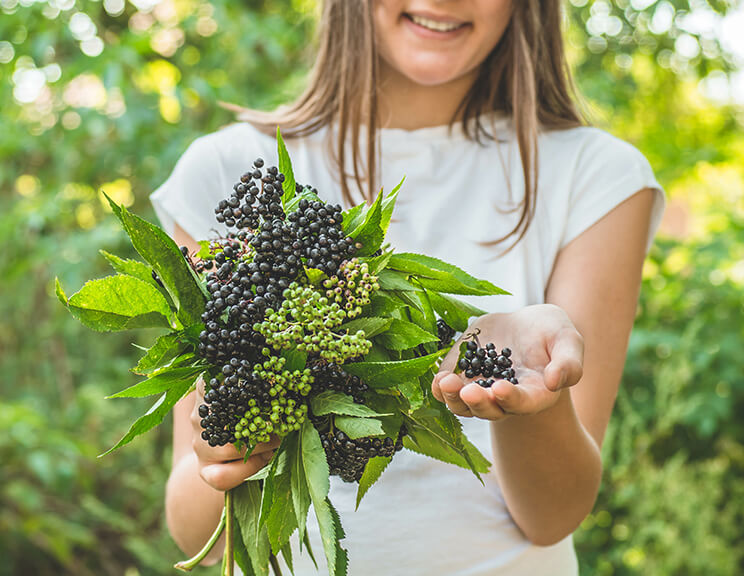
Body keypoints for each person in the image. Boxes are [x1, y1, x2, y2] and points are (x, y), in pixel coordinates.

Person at [151, 1, 665, 574]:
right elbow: (196, 531)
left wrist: (534, 396)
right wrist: (233, 438)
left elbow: (553, 515)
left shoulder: (596, 178)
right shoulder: (228, 170)